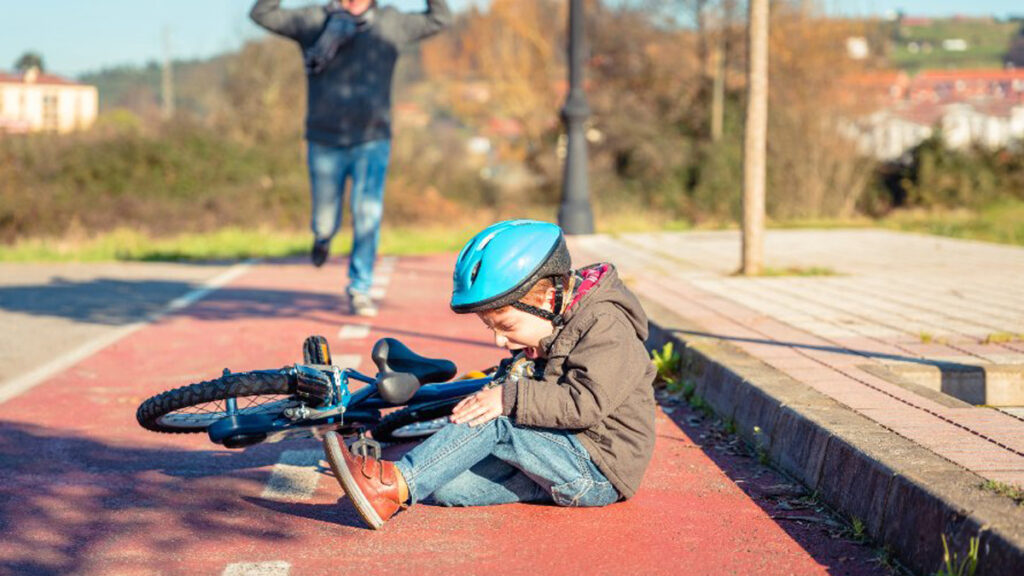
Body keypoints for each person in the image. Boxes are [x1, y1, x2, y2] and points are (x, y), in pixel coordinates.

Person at [322, 219, 658, 529]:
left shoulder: (606, 326)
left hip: (597, 466)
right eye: (490, 327)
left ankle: (392, 487)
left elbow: (584, 403)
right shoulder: (551, 322)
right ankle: (416, 479)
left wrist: (507, 397)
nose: (499, 339)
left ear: (547, 298)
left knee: (498, 417)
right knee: (446, 486)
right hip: (561, 453)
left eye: (506, 326)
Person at [250, 0, 451, 317]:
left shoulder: (390, 23)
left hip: (372, 139)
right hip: (324, 138)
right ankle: (322, 236)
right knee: (325, 218)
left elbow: (439, 18)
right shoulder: (315, 20)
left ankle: (360, 287)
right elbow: (262, 14)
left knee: (367, 213)